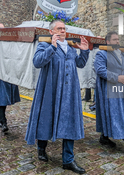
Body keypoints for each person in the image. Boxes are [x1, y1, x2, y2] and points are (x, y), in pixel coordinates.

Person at [25, 20, 89, 174]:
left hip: (70, 92)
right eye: (59, 28)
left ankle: (68, 160)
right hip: (50, 89)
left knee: (70, 122)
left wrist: (85, 51)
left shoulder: (71, 48)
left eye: (64, 29)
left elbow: (79, 64)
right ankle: (41, 149)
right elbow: (37, 62)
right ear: (51, 32)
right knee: (46, 118)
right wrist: (52, 47)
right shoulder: (45, 45)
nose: (62, 31)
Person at [94, 31, 124, 155]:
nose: (117, 42)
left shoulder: (122, 54)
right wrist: (118, 77)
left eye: (118, 39)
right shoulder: (101, 54)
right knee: (116, 114)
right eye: (115, 40)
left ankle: (104, 137)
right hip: (110, 91)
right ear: (108, 41)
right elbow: (100, 70)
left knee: (120, 113)